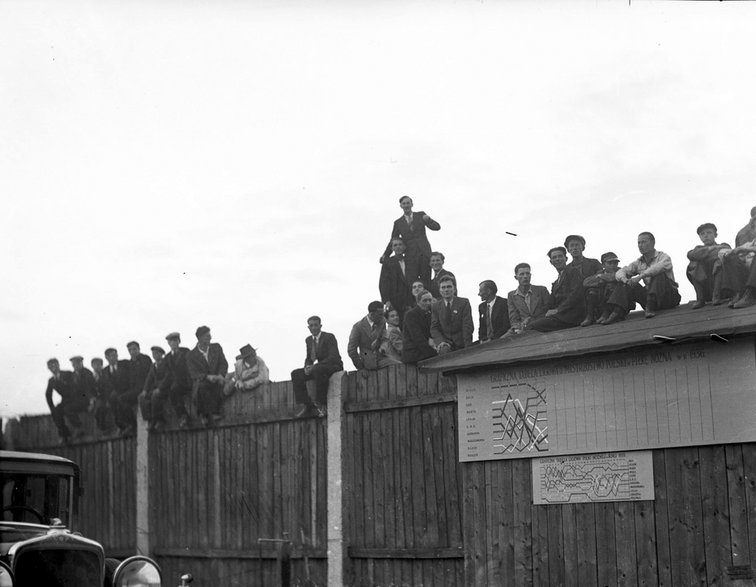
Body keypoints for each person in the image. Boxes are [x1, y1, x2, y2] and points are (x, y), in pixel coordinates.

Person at [603, 232, 681, 323]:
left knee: (659, 274)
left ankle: (650, 306)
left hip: (668, 298)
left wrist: (640, 276)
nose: (640, 245)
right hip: (648, 301)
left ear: (653, 243)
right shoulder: (639, 262)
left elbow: (657, 268)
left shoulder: (664, 257)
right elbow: (621, 272)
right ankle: (617, 312)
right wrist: (625, 279)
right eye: (639, 243)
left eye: (643, 242)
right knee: (624, 283)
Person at [380, 195, 441, 287]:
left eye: (408, 203)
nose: (406, 205)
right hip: (410, 256)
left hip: (424, 254)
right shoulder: (398, 223)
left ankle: (428, 300)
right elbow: (393, 240)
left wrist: (429, 220)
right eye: (404, 203)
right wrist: (385, 255)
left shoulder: (420, 215)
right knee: (412, 282)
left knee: (426, 281)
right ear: (401, 206)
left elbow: (437, 227)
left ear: (412, 204)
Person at [291, 316, 343, 418]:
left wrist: (315, 366)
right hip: (318, 368)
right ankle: (307, 405)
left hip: (333, 366)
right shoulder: (309, 340)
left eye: (316, 325)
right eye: (311, 326)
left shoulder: (329, 337)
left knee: (318, 370)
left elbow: (333, 357)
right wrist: (307, 367)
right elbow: (309, 358)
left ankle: (322, 405)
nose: (314, 328)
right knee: (296, 374)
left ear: (320, 326)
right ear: (308, 328)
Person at [528, 247, 586, 332]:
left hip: (572, 316)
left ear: (565, 258)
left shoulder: (574, 272)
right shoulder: (556, 283)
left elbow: (575, 295)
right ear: (551, 262)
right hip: (561, 315)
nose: (557, 259)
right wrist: (533, 317)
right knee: (531, 323)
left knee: (534, 326)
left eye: (560, 256)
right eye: (554, 257)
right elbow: (550, 303)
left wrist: (558, 310)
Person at [187, 326, 229, 426]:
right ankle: (204, 415)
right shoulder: (191, 355)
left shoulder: (216, 348)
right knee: (201, 387)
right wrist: (207, 377)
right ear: (200, 338)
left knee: (222, 386)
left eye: (210, 335)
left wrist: (220, 375)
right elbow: (193, 373)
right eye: (207, 336)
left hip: (218, 380)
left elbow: (223, 363)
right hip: (202, 382)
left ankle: (215, 413)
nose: (210, 337)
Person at [348, 301, 402, 374]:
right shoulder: (357, 327)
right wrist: (361, 368)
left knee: (400, 366)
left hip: (381, 357)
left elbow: (384, 338)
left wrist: (383, 347)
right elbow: (351, 350)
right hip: (367, 362)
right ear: (372, 314)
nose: (383, 316)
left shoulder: (382, 321)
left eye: (383, 313)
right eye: (380, 314)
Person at [686, 223, 731, 308]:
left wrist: (705, 255)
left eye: (709, 233)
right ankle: (700, 299)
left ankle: (716, 296)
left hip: (723, 287)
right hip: (706, 286)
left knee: (720, 261)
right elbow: (690, 255)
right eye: (702, 234)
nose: (705, 236)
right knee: (694, 264)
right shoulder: (697, 248)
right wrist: (710, 249)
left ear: (715, 235)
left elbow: (726, 251)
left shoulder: (724, 245)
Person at [45, 358, 87, 442]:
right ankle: (65, 435)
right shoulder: (51, 381)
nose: (53, 368)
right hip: (66, 401)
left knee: (67, 408)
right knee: (56, 412)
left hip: (77, 398)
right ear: (48, 368)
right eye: (51, 366)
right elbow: (48, 395)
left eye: (55, 365)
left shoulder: (68, 374)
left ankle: (79, 428)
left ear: (58, 365)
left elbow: (76, 387)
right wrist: (52, 408)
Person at [431, 275, 474, 354]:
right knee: (444, 351)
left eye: (449, 287)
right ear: (440, 290)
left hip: (462, 343)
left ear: (454, 289)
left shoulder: (464, 303)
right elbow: (434, 327)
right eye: (443, 287)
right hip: (446, 344)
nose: (446, 290)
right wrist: (440, 342)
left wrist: (467, 347)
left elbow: (467, 325)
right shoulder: (436, 306)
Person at [581, 252, 625, 326]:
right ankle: (590, 316)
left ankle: (607, 314)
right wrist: (600, 281)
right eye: (610, 263)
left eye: (615, 263)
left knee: (611, 286)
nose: (613, 265)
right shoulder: (599, 273)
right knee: (591, 291)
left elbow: (614, 277)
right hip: (602, 304)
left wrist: (603, 277)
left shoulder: (621, 271)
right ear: (603, 265)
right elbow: (586, 282)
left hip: (618, 306)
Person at [506, 263, 550, 335]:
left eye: (527, 273)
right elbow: (513, 316)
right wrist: (517, 329)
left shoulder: (541, 290)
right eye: (522, 274)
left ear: (530, 275)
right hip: (522, 328)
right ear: (516, 277)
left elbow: (548, 309)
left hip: (541, 325)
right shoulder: (511, 295)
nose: (525, 276)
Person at [379, 238, 414, 318]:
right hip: (395, 299)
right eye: (395, 245)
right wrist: (386, 300)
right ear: (392, 248)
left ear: (404, 247)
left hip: (410, 298)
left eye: (400, 244)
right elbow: (383, 282)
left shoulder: (410, 261)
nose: (398, 247)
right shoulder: (388, 262)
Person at [164, 332, 192, 429]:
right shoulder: (167, 358)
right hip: (174, 384)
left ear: (179, 341)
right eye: (171, 342)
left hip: (186, 381)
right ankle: (182, 417)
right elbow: (166, 373)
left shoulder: (186, 352)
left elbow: (190, 368)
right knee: (171, 391)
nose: (173, 344)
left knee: (174, 390)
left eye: (175, 341)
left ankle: (183, 416)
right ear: (168, 344)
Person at [402, 290, 437, 364]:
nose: (428, 303)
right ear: (418, 302)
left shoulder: (431, 314)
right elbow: (417, 337)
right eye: (424, 300)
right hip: (413, 353)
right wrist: (432, 353)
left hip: (424, 350)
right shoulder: (411, 315)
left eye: (430, 300)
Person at [139, 346, 169, 431]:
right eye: (153, 354)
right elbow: (149, 379)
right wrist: (145, 390)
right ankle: (150, 419)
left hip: (165, 389)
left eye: (157, 353)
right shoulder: (153, 365)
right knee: (142, 398)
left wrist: (160, 388)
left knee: (155, 397)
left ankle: (159, 420)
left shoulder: (166, 363)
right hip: (155, 389)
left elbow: (168, 377)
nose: (155, 355)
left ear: (161, 354)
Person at [104, 347, 134, 435]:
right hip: (114, 397)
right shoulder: (105, 371)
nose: (113, 358)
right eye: (111, 356)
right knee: (112, 404)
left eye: (115, 355)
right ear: (106, 358)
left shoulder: (125, 364)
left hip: (127, 391)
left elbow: (131, 378)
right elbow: (105, 387)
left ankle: (131, 425)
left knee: (123, 402)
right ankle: (122, 426)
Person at [90, 357, 113, 432]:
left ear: (101, 365)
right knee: (97, 409)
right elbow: (88, 389)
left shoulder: (106, 374)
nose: (97, 367)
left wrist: (107, 400)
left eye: (98, 365)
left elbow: (108, 388)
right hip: (97, 398)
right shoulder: (91, 377)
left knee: (100, 408)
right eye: (95, 365)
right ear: (92, 366)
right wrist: (92, 398)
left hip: (106, 396)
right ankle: (101, 429)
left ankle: (104, 428)